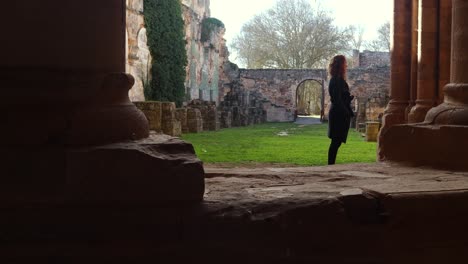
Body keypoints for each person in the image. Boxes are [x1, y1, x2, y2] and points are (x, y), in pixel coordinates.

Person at [327, 55, 354, 165]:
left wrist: (348, 98)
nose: (346, 65)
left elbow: (340, 97)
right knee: (336, 142)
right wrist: (346, 112)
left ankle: (331, 165)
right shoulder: (336, 80)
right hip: (339, 114)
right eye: (344, 63)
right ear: (340, 65)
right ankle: (330, 166)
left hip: (339, 112)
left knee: (336, 142)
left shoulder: (337, 79)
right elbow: (337, 99)